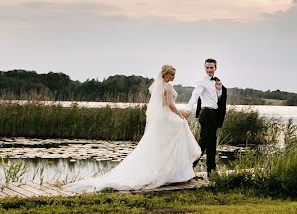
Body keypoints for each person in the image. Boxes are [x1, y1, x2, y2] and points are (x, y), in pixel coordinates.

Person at [65, 64, 201, 192]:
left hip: (162, 119)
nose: (173, 77)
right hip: (167, 117)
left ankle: (170, 173)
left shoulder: (160, 87)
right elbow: (170, 105)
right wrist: (180, 116)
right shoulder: (168, 87)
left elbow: (163, 105)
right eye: (172, 75)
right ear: (165, 75)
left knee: (162, 146)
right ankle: (174, 173)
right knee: (179, 131)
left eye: (174, 75)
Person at [188, 58, 227, 174]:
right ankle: (189, 168)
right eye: (207, 67)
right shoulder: (202, 82)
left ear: (215, 68)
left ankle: (211, 171)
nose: (209, 70)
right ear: (204, 68)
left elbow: (219, 100)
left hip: (214, 115)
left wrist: (219, 91)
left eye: (211, 67)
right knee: (204, 142)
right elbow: (195, 95)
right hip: (206, 113)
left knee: (211, 143)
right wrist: (188, 109)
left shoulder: (218, 82)